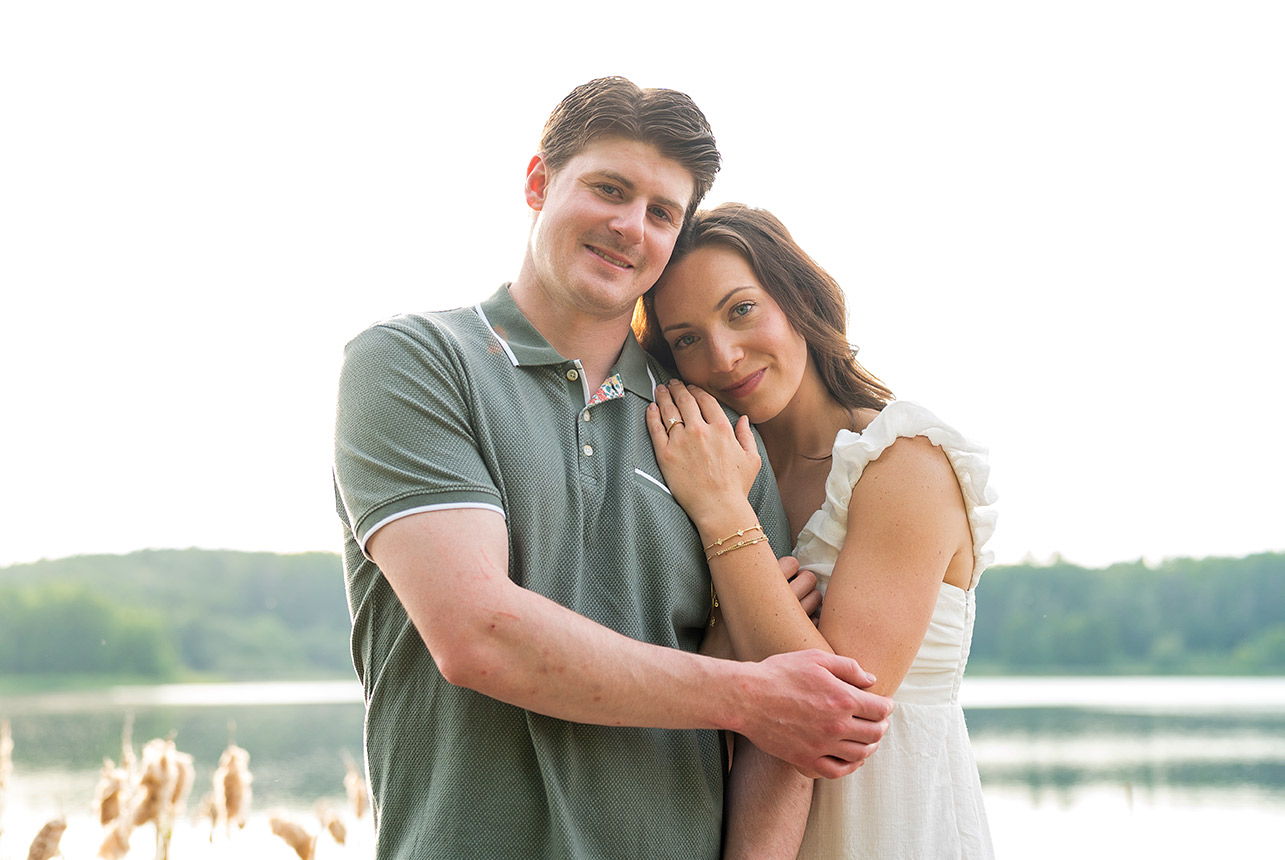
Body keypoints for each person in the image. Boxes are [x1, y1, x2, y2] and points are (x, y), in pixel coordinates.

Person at [331, 78, 892, 860]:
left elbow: (788, 719)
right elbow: (479, 636)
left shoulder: (714, 433)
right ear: (537, 183)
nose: (630, 226)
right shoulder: (414, 363)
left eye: (662, 212)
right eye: (608, 189)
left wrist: (762, 678)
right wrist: (751, 696)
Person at [636, 203, 998, 859]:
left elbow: (835, 716)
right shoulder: (708, 470)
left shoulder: (902, 461)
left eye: (740, 309)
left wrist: (724, 514)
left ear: (799, 297)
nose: (723, 354)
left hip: (889, 828)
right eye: (686, 338)